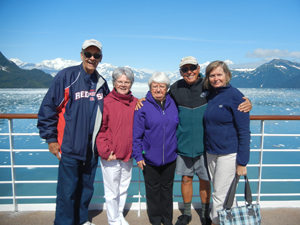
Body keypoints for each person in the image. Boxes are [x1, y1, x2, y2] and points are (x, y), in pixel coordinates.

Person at [168, 56, 252, 225]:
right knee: (189, 180)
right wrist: (143, 99)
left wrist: (249, 102)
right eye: (185, 69)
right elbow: (161, 98)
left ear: (199, 69)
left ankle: (210, 217)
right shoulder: (176, 87)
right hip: (193, 146)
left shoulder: (210, 87)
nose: (189, 72)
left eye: (192, 68)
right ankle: (188, 214)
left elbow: (234, 101)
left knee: (215, 189)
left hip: (212, 148)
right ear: (180, 72)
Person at [37, 39, 109, 225]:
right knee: (66, 192)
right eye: (88, 54)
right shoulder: (66, 76)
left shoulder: (101, 82)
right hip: (69, 146)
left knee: (86, 189)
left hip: (91, 149)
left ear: (100, 58)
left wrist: (137, 104)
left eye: (96, 55)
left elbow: (112, 108)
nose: (92, 58)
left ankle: (81, 220)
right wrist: (51, 139)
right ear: (81, 55)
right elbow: (48, 108)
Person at [203, 61, 251, 225]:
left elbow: (244, 131)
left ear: (227, 76)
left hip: (228, 154)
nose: (216, 78)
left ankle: (216, 222)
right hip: (211, 152)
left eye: (219, 75)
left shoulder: (235, 96)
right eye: (212, 75)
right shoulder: (211, 94)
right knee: (226, 193)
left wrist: (242, 162)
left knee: (219, 196)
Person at [132, 72, 178, 225]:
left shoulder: (174, 104)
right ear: (150, 88)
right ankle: (155, 221)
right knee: (152, 192)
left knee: (167, 191)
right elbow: (136, 134)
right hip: (149, 158)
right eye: (155, 86)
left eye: (162, 86)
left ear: (167, 88)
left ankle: (167, 220)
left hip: (170, 157)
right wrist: (138, 155)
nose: (158, 89)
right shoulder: (143, 106)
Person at [96, 67, 137, 225]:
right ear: (114, 82)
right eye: (120, 81)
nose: (123, 84)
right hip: (111, 155)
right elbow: (100, 128)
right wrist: (105, 152)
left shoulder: (135, 103)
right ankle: (113, 220)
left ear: (131, 83)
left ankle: (119, 215)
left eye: (126, 82)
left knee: (123, 188)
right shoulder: (106, 102)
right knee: (112, 191)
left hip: (128, 154)